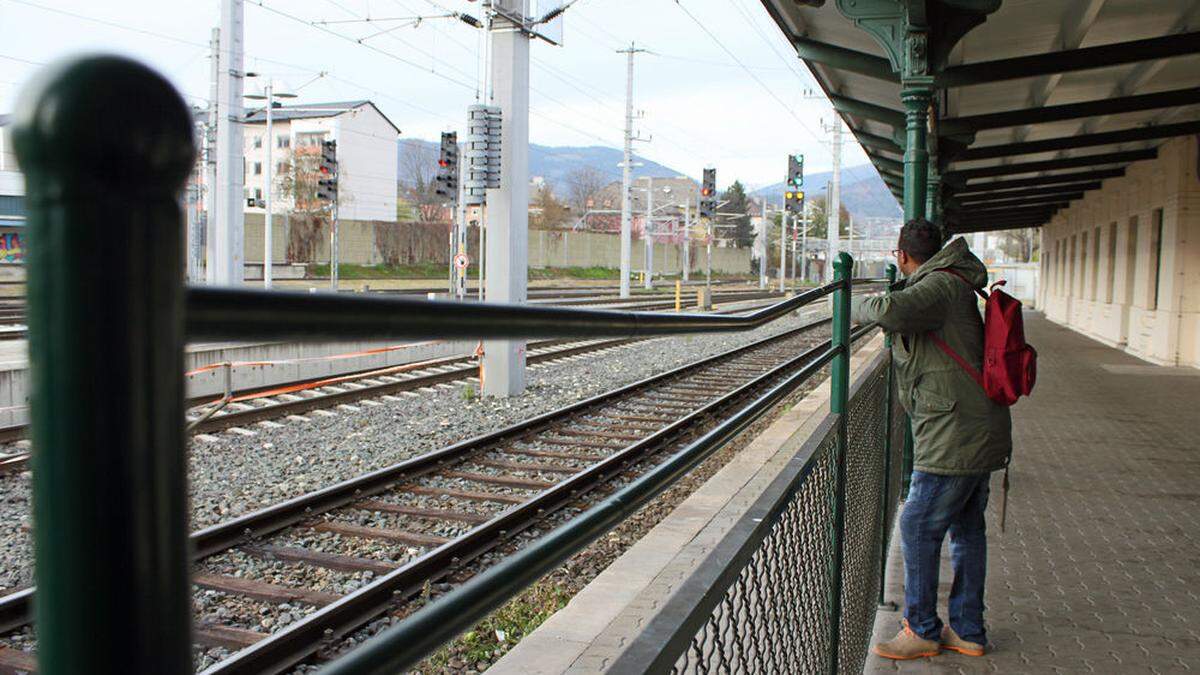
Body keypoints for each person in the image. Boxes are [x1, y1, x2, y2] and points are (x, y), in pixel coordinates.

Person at [852, 218, 1012, 660]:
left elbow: (888, 310)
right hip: (974, 424)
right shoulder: (953, 282)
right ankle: (968, 630)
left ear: (901, 257)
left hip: (955, 430)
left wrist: (852, 304)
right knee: (966, 529)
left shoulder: (938, 287)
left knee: (917, 523)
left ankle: (921, 628)